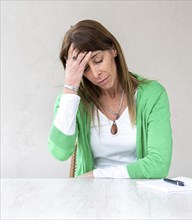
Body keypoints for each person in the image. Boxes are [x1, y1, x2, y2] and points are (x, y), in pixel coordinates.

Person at [48, 19, 172, 178]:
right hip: (90, 196)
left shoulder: (152, 94)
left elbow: (158, 165)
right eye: (85, 68)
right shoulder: (72, 100)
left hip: (139, 194)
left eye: (98, 60)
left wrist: (97, 175)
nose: (95, 73)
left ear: (113, 49)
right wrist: (70, 87)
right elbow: (60, 153)